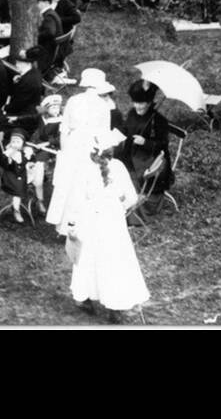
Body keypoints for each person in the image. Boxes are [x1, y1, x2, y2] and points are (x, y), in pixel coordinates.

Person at [66, 131, 150, 322]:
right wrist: (119, 206)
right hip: (112, 220)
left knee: (87, 258)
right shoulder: (119, 167)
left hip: (89, 219)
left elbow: (76, 201)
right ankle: (115, 307)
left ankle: (85, 297)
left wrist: (72, 223)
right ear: (111, 151)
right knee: (114, 260)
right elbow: (132, 198)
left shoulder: (84, 169)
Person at [47, 67, 118, 235]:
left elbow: (63, 129)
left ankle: (64, 226)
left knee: (68, 184)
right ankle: (79, 226)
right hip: (88, 148)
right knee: (83, 186)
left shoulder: (73, 100)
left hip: (72, 145)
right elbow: (104, 135)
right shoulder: (103, 106)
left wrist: (64, 151)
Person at [117, 81, 172, 193]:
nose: (137, 106)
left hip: (148, 161)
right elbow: (126, 128)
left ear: (149, 102)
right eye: (135, 102)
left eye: (141, 103)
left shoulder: (158, 120)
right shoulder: (133, 113)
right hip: (130, 156)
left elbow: (163, 144)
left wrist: (145, 142)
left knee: (133, 180)